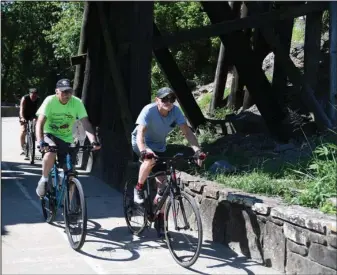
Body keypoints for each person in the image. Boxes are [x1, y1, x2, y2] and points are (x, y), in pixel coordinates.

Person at [131, 87, 206, 236]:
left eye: (171, 99)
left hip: (160, 146)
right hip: (141, 142)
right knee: (150, 160)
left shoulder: (175, 111)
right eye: (164, 99)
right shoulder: (149, 110)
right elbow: (140, 133)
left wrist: (197, 151)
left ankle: (159, 217)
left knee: (164, 185)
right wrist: (144, 150)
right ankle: (138, 188)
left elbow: (187, 132)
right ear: (157, 100)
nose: (168, 102)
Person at [35, 78, 101, 197]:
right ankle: (43, 180)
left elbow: (85, 123)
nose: (67, 95)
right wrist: (40, 141)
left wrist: (93, 141)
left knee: (70, 173)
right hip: (49, 133)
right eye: (64, 92)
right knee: (51, 150)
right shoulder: (50, 101)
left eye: (69, 92)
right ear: (57, 92)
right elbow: (40, 122)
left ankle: (70, 209)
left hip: (66, 138)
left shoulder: (77, 102)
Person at [19, 88, 40, 155]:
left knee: (38, 127)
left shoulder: (38, 99)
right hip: (24, 114)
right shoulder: (25, 98)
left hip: (33, 114)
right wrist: (22, 118)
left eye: (35, 96)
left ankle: (37, 142)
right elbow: (21, 109)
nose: (33, 97)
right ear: (29, 94)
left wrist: (38, 118)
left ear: (37, 95)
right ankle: (22, 148)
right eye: (32, 96)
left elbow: (40, 110)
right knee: (23, 130)